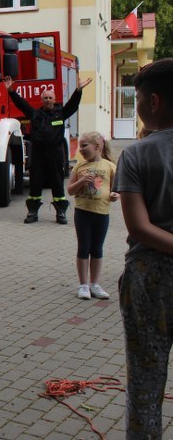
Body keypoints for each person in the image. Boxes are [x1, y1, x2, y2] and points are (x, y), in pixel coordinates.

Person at [113, 58, 173, 438]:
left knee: (145, 385)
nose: (135, 107)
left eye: (136, 99)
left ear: (154, 101)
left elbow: (139, 227)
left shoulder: (135, 154)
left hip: (150, 279)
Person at [5, 75, 93, 224]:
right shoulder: (35, 114)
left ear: (54, 99)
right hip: (38, 153)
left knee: (57, 182)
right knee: (35, 182)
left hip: (55, 153)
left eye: (50, 98)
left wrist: (78, 90)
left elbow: (73, 105)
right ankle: (32, 212)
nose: (48, 100)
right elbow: (22, 104)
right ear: (41, 100)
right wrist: (11, 91)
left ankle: (61, 213)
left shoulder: (61, 113)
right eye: (45, 98)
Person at [66, 131, 118, 300]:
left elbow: (116, 189)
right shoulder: (79, 167)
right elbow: (70, 190)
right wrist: (82, 181)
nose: (80, 149)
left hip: (102, 213)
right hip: (82, 213)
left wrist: (115, 195)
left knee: (97, 248)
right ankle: (83, 285)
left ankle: (94, 284)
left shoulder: (109, 166)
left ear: (97, 146)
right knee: (83, 247)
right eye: (80, 146)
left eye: (84, 145)